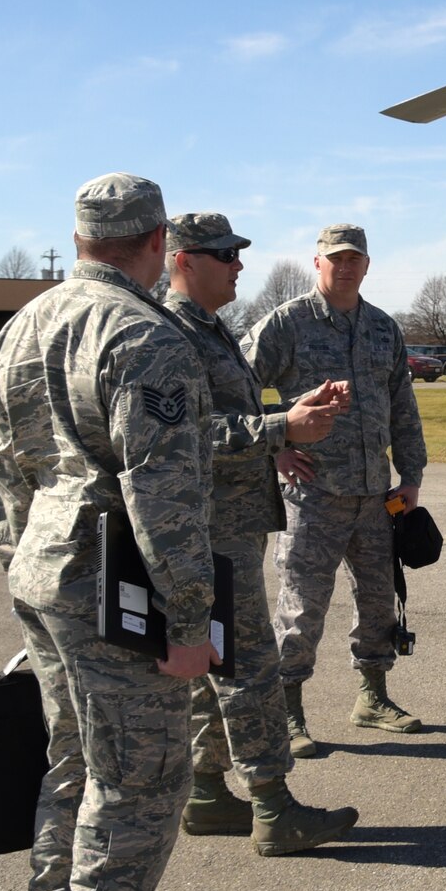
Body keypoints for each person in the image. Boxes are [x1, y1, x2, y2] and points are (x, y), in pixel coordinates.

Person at [0, 172, 223, 891]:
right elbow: (164, 495)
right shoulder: (143, 334)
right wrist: (190, 624)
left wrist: (18, 567)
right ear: (158, 239)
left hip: (44, 570)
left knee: (74, 760)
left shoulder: (24, 324)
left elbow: (6, 470)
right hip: (113, 583)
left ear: (81, 238)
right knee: (143, 773)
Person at [160, 212, 362, 855]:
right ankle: (274, 808)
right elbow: (179, 436)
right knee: (249, 668)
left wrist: (288, 417)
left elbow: (228, 418)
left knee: (216, 664)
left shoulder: (211, 330)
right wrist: (279, 432)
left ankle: (206, 792)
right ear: (184, 259)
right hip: (212, 530)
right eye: (224, 254)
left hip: (230, 524)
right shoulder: (170, 336)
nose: (238, 264)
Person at [246, 223, 428, 747]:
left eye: (355, 259)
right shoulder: (287, 323)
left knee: (378, 600)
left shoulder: (381, 328)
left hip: (375, 495)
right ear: (317, 262)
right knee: (302, 607)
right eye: (335, 258)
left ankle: (372, 698)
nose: (345, 267)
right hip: (313, 494)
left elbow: (402, 406)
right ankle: (287, 713)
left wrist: (411, 476)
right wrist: (274, 444)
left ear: (367, 265)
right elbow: (232, 387)